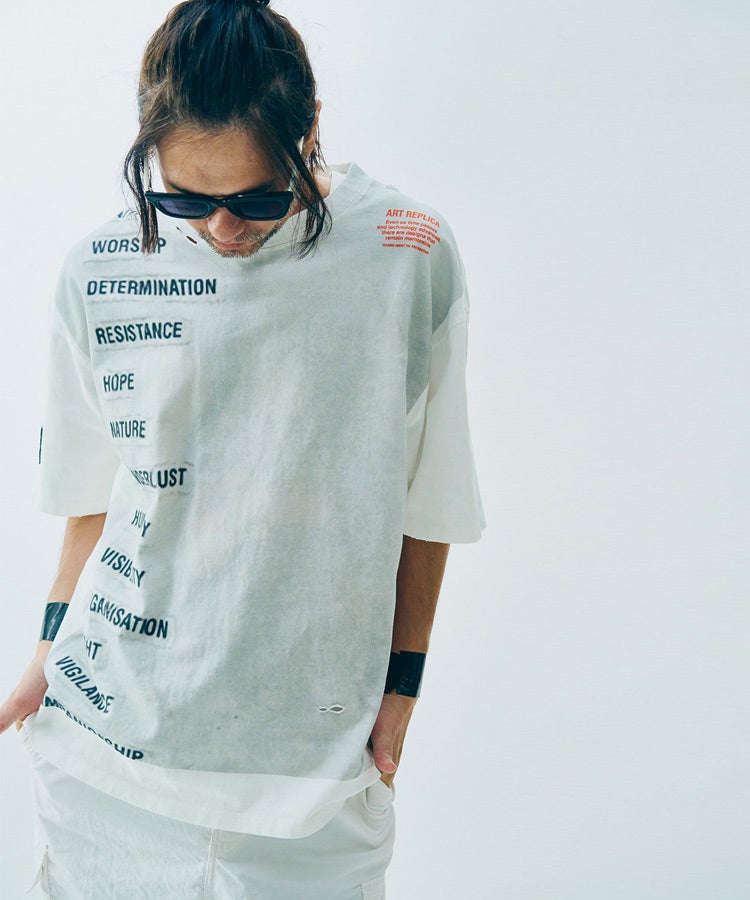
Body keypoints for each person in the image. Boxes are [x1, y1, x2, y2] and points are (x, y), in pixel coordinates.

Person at [0, 0, 486, 896]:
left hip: (310, 774)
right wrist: (45, 649)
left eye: (259, 199)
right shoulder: (97, 272)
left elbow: (430, 497)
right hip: (105, 761)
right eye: (184, 199)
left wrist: (402, 691)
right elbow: (96, 496)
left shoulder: (406, 252)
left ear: (311, 132)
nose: (221, 229)